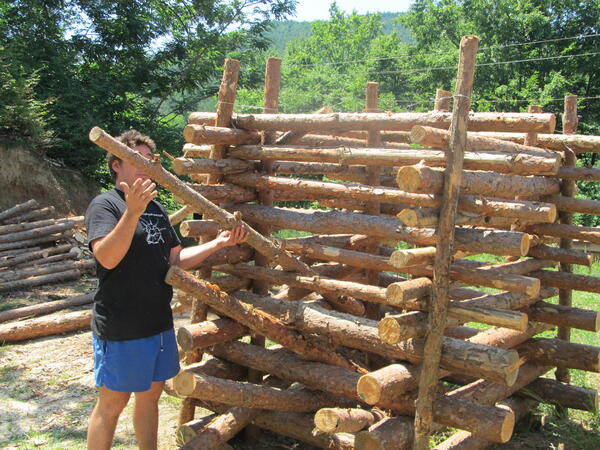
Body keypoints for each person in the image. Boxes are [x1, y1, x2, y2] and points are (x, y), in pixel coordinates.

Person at [84, 130, 248, 450]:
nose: (146, 164)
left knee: (150, 399)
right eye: (137, 158)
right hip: (121, 325)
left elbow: (174, 258)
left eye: (149, 158)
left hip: (158, 324)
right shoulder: (105, 205)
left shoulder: (156, 207)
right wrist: (132, 212)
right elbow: (106, 257)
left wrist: (219, 242)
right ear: (117, 164)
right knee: (112, 405)